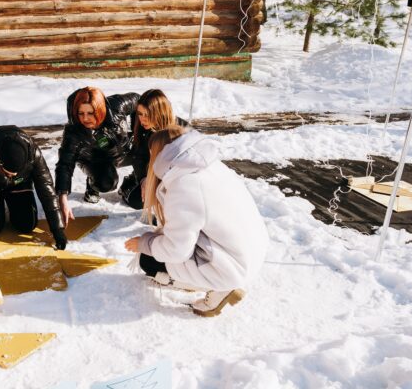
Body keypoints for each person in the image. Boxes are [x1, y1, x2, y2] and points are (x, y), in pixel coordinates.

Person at [124, 126, 269, 317]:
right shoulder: (208, 165)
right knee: (158, 251)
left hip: (231, 267)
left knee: (149, 261)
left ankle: (219, 286)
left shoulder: (184, 185)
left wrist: (144, 243)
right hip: (252, 252)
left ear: (161, 155)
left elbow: (176, 250)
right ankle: (210, 281)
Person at [0, 125, 67, 253]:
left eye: (16, 172)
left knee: (27, 224)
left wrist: (57, 230)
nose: (11, 175)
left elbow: (46, 190)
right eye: (8, 172)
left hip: (19, 184)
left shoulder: (34, 154)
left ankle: (11, 199)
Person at [55, 87, 139, 224]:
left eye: (90, 113)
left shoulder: (116, 106)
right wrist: (62, 198)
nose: (85, 118)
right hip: (94, 160)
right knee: (106, 183)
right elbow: (65, 164)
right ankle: (93, 183)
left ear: (100, 109)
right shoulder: (73, 132)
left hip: (123, 150)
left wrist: (137, 131)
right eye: (80, 113)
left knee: (151, 149)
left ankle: (132, 182)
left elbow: (139, 99)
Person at [119, 89, 186, 209]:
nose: (142, 119)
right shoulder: (141, 125)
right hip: (150, 169)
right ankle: (129, 184)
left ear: (160, 112)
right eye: (140, 113)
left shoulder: (180, 128)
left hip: (174, 175)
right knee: (139, 201)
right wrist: (143, 178)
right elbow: (138, 156)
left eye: (147, 114)